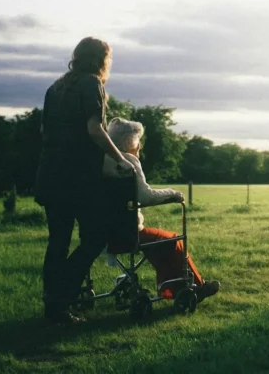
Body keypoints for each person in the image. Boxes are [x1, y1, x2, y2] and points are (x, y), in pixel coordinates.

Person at [34, 37, 135, 325]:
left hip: (49, 174)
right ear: (101, 60)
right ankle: (62, 296)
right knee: (94, 239)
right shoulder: (92, 84)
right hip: (77, 178)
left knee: (58, 242)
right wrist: (120, 158)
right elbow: (95, 129)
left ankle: (54, 306)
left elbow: (44, 130)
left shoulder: (55, 88)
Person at [102, 117, 220, 303]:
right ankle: (198, 286)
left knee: (158, 242)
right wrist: (173, 194)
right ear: (129, 142)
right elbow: (145, 197)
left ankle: (170, 289)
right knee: (173, 240)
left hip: (103, 232)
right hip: (127, 232)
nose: (140, 145)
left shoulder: (102, 160)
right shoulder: (128, 161)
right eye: (138, 140)